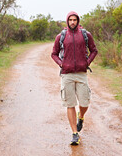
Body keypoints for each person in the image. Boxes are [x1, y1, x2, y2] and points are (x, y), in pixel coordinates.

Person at [51, 11, 98, 145]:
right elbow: (53, 54)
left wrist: (87, 63)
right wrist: (62, 64)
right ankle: (74, 133)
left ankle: (81, 116)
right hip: (67, 74)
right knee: (70, 104)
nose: (72, 22)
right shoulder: (61, 36)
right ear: (67, 21)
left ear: (78, 21)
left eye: (75, 20)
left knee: (85, 102)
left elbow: (94, 50)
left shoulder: (85, 35)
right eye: (70, 20)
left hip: (82, 74)